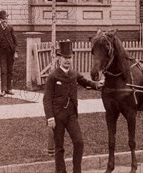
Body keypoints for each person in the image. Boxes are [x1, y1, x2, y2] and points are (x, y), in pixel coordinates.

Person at [43, 40, 103, 173]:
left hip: (71, 115)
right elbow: (46, 98)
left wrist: (96, 85)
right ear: (59, 58)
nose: (67, 60)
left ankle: (77, 170)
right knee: (59, 147)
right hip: (57, 116)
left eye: (70, 57)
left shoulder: (74, 74)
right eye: (65, 58)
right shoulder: (53, 76)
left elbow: (86, 82)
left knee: (79, 142)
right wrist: (50, 117)